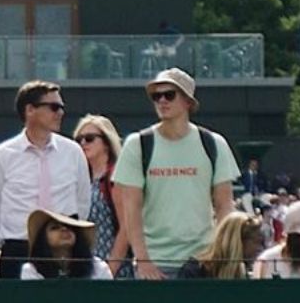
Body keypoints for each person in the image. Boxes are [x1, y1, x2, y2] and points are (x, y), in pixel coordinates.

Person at [113, 68, 237, 280]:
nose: (162, 101)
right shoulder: (138, 144)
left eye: (169, 94)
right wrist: (142, 261)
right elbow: (131, 209)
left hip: (203, 258)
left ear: (188, 102)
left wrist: (220, 255)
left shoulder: (214, 143)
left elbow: (225, 205)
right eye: (156, 96)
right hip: (156, 261)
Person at [0, 81, 91, 279]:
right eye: (54, 107)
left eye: (62, 107)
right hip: (19, 248)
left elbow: (82, 201)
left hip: (63, 250)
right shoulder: (2, 156)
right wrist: (4, 240)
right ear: (30, 110)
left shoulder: (72, 152)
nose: (60, 113)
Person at [72, 114, 131, 278]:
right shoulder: (80, 180)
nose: (83, 143)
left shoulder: (115, 178)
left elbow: (126, 229)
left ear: (106, 143)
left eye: (89, 138)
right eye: (79, 140)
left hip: (114, 269)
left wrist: (109, 270)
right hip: (86, 267)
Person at [20, 209, 112, 280]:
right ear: (43, 238)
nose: (64, 229)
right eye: (55, 227)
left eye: (70, 227)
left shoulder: (99, 267)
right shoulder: (31, 270)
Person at [178, 212, 263, 280]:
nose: (260, 249)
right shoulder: (193, 272)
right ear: (238, 241)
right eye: (256, 242)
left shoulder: (244, 274)